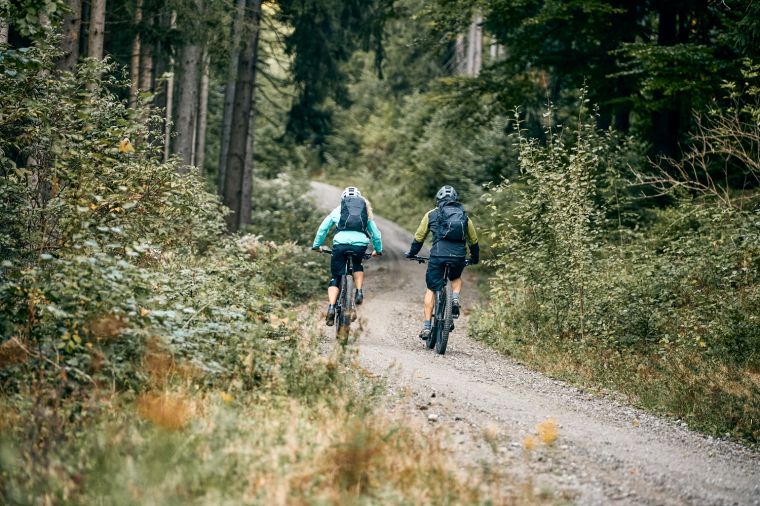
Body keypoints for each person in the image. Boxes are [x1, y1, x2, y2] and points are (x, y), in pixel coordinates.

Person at [405, 185, 479, 340]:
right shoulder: (464, 217)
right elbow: (473, 240)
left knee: (431, 288)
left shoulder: (431, 215)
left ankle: (426, 326)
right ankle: (455, 298)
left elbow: (419, 237)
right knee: (455, 278)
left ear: (438, 200)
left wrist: (412, 253)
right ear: (455, 200)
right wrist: (474, 257)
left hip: (438, 256)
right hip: (458, 256)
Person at [312, 187, 383, 325]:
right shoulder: (364, 211)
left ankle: (332, 307)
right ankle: (359, 292)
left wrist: (317, 245)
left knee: (336, 276)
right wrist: (378, 250)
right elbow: (376, 234)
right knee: (357, 265)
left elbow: (323, 229)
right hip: (360, 244)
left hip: (340, 244)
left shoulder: (337, 210)